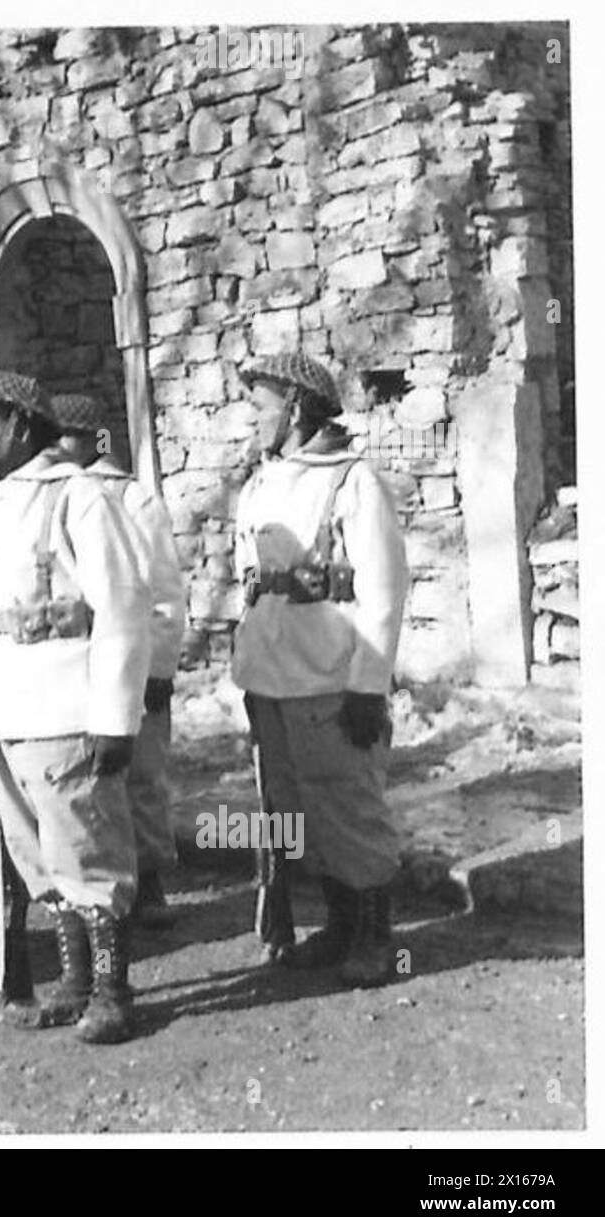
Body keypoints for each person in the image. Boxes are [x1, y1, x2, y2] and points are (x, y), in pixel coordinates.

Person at [0, 371, 152, 1044]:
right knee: (36, 851)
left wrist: (115, 717)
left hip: (67, 701)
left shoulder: (82, 497)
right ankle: (73, 979)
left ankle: (114, 989)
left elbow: (123, 608)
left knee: (87, 847)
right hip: (8, 707)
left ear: (21, 426)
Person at [233, 352, 409, 987]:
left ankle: (375, 938)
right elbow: (248, 586)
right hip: (271, 680)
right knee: (298, 812)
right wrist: (246, 676)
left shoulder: (352, 482)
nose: (251, 418)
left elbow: (384, 592)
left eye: (260, 406)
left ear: (297, 408)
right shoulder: (260, 485)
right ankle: (339, 926)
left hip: (331, 682)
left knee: (348, 809)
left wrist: (368, 686)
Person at [52, 394, 187, 929]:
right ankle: (102, 884)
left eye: (66, 437)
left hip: (131, 658)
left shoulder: (131, 500)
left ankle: (150, 877)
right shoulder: (54, 499)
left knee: (141, 775)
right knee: (91, 779)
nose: (57, 448)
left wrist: (157, 668)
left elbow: (162, 593)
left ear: (91, 442)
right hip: (77, 661)